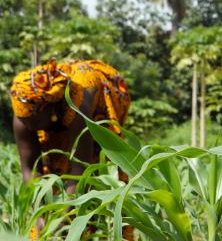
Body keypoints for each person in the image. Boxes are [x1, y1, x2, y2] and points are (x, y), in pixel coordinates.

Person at [10, 58, 131, 189]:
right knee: (55, 173)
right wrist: (37, 200)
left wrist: (70, 201)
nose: (28, 126)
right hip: (58, 116)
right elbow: (30, 170)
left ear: (48, 107)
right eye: (23, 120)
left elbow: (80, 170)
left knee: (97, 173)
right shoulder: (24, 112)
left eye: (33, 121)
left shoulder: (77, 107)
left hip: (99, 97)